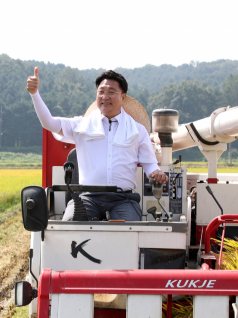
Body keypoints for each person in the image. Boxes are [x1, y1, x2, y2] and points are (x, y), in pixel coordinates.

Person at [27, 67, 167, 221]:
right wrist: (35, 94)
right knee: (70, 225)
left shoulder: (138, 130)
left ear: (123, 97)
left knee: (130, 230)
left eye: (111, 92)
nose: (105, 96)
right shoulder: (81, 125)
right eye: (101, 91)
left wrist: (156, 173)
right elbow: (49, 123)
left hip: (123, 199)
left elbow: (150, 164)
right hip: (87, 197)